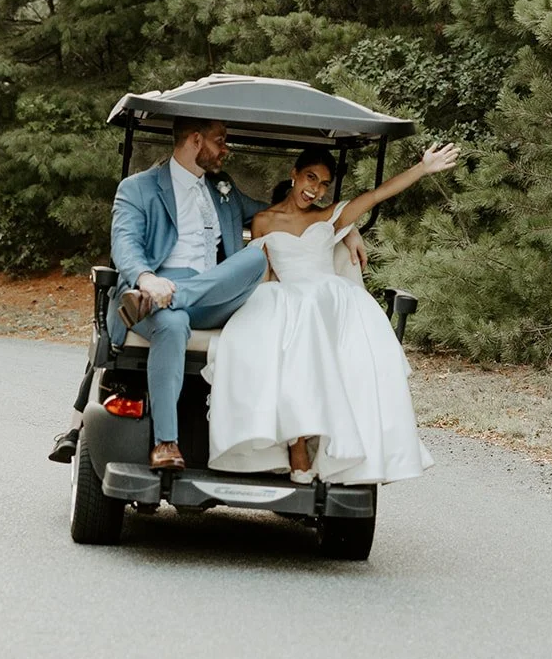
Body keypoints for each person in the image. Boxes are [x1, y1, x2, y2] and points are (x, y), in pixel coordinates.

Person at [48, 115, 367, 468]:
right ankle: (166, 444)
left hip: (204, 296)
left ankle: (170, 297)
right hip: (155, 291)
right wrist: (147, 280)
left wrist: (339, 224)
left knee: (252, 260)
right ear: (197, 141)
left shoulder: (221, 188)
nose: (225, 149)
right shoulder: (138, 188)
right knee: (171, 323)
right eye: (220, 140)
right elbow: (125, 245)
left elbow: (282, 215)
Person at [205, 140, 459, 484]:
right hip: (288, 297)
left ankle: (320, 443)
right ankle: (297, 440)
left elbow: (377, 194)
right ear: (294, 174)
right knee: (277, 326)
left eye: (324, 184)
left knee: (313, 314)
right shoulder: (264, 221)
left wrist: (423, 168)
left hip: (328, 297)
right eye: (311, 178)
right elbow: (264, 273)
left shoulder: (329, 215)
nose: (316, 190)